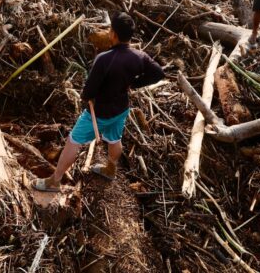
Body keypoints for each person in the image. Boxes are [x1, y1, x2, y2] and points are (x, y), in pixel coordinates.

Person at [33, 13, 164, 192]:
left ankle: (54, 181)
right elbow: (158, 73)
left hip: (99, 112)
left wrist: (86, 97)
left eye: (110, 30)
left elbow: (88, 92)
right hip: (121, 108)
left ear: (114, 34)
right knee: (114, 138)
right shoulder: (140, 57)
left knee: (73, 141)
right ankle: (110, 169)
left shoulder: (104, 59)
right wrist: (133, 84)